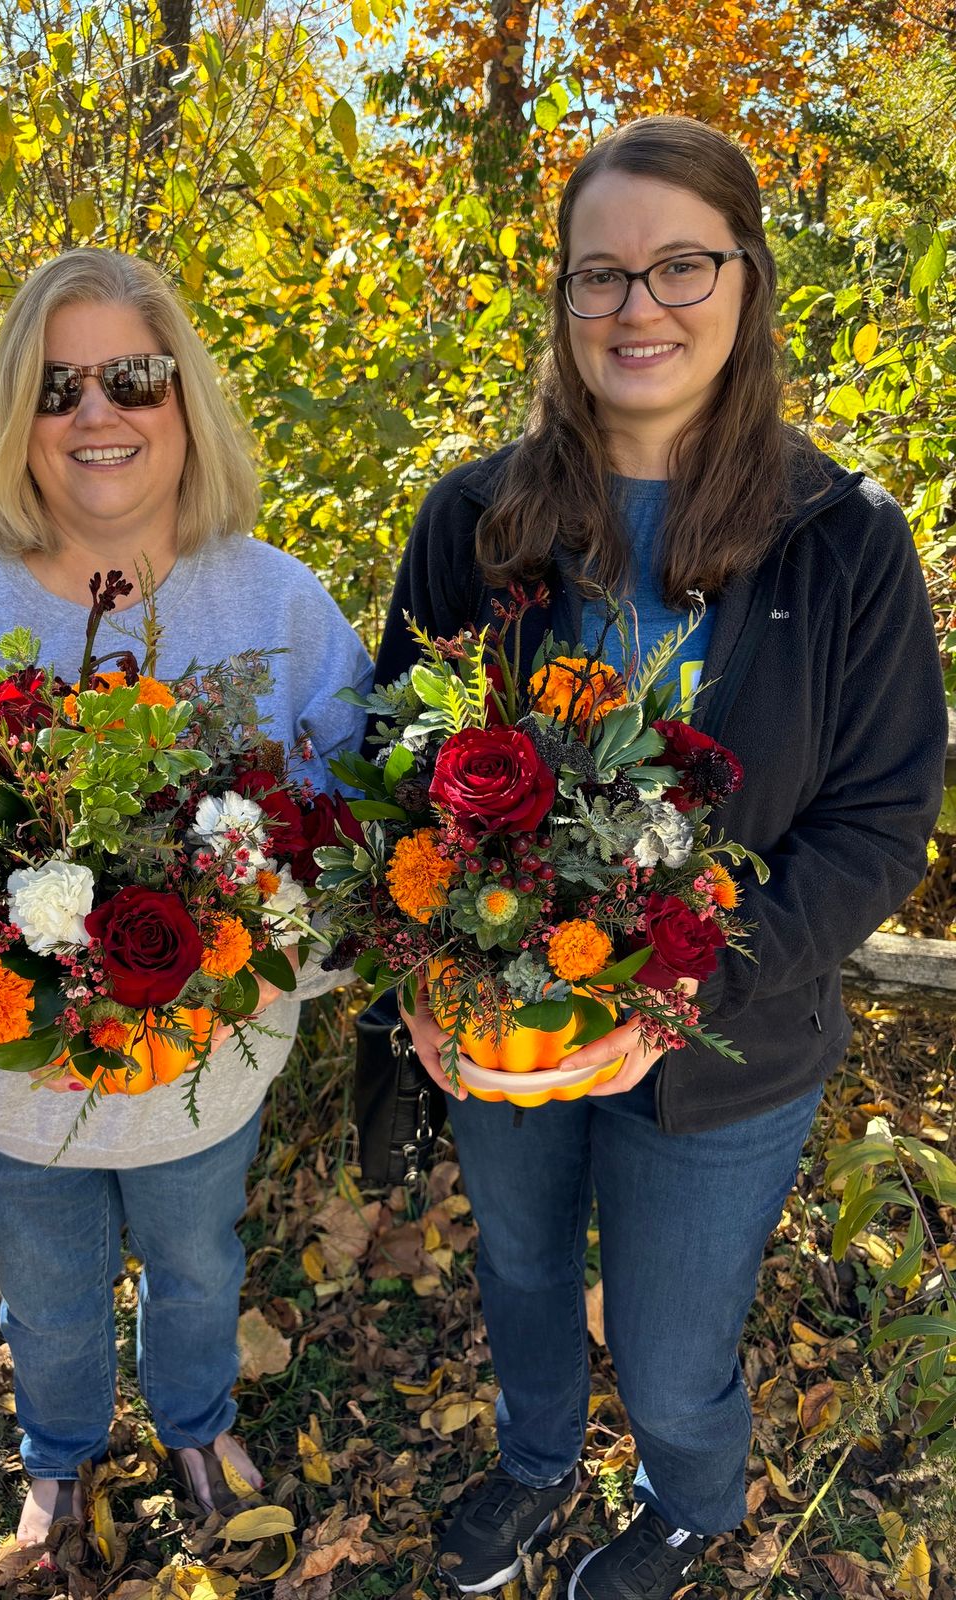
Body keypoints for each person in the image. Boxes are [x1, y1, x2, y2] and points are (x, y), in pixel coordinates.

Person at [373, 116, 947, 1600]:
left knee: (675, 1334)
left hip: (733, 1041)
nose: (640, 309)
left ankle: (687, 1492)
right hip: (505, 1009)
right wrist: (426, 979)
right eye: (600, 276)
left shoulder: (844, 539)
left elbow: (882, 817)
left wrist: (682, 989)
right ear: (561, 303)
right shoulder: (477, 519)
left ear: (747, 281)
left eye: (680, 265)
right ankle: (537, 1462)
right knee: (518, 1274)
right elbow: (395, 776)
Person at [0, 248, 372, 1553]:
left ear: (186, 399)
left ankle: (197, 1414)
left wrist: (269, 968)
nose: (99, 414)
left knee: (201, 1262)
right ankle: (59, 1457)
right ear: (16, 414)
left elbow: (361, 830)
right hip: (10, 1086)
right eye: (59, 388)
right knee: (45, 1292)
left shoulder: (272, 600)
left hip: (203, 1079)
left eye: (136, 377)